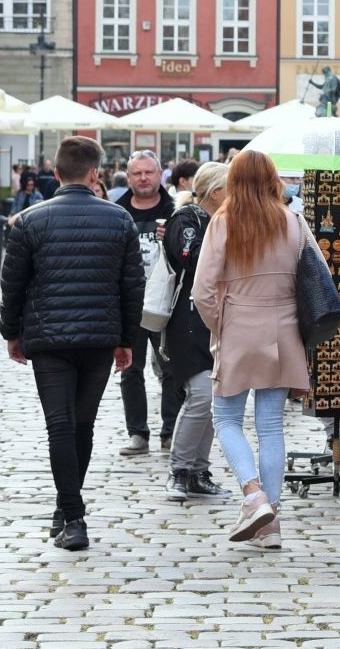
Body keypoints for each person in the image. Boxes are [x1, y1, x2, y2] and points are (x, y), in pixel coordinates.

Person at [0, 135, 144, 551]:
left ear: (56, 173)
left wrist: (12, 333)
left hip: (49, 338)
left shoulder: (30, 220)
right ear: (95, 174)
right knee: (82, 423)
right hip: (99, 338)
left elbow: (13, 285)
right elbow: (132, 286)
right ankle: (69, 510)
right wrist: (126, 339)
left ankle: (71, 513)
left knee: (59, 425)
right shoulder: (119, 220)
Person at [194, 150, 317, 548]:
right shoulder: (294, 221)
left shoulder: (224, 222)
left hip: (239, 327)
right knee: (270, 425)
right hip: (284, 331)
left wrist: (221, 324)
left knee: (226, 417)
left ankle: (253, 495)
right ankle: (271, 522)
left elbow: (202, 291)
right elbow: (319, 279)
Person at [162, 162, 233, 502]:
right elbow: (188, 259)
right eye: (230, 188)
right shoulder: (188, 219)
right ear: (216, 191)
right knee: (202, 395)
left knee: (214, 399)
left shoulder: (226, 220)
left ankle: (198, 472)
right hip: (187, 319)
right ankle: (178, 470)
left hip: (220, 319)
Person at [115, 150, 185, 456]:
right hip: (128, 302)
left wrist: (171, 238)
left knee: (171, 367)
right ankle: (137, 433)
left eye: (149, 172)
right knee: (130, 368)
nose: (143, 178)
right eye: (137, 173)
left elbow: (190, 255)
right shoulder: (116, 211)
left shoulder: (176, 210)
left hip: (166, 302)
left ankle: (171, 431)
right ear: (128, 177)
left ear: (160, 175)